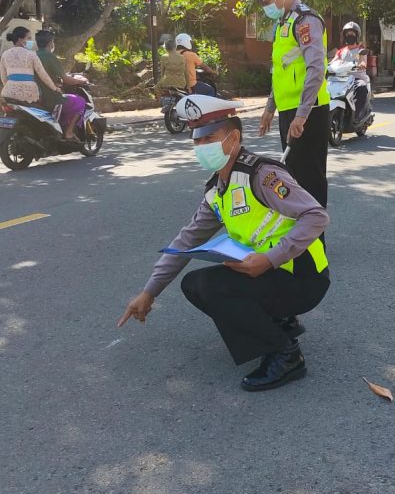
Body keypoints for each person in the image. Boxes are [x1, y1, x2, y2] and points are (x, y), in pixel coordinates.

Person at [118, 94, 331, 392]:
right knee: (194, 284)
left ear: (233, 138)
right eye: (196, 141)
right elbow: (185, 241)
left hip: (303, 276)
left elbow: (316, 216)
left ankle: (286, 355)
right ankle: (280, 322)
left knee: (212, 287)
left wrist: (270, 259)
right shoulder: (217, 190)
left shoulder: (262, 175)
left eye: (209, 139)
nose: (202, 147)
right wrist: (148, 293)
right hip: (271, 274)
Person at [243, 0, 330, 207]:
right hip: (290, 113)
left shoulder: (306, 21)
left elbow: (316, 69)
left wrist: (301, 116)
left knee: (310, 183)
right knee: (294, 182)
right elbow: (280, 72)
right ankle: (299, 243)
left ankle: (314, 245)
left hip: (309, 114)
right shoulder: (284, 23)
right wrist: (270, 108)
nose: (265, 7)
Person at [0, 26, 65, 115]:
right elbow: (43, 76)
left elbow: (3, 78)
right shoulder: (31, 54)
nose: (31, 41)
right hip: (29, 94)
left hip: (8, 93)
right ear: (20, 39)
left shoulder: (5, 54)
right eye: (29, 38)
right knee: (45, 114)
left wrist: (12, 86)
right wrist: (55, 88)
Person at [34, 30, 86, 141]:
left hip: (37, 97)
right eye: (53, 42)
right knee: (80, 101)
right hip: (52, 97)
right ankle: (69, 132)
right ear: (50, 43)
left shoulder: (33, 55)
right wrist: (80, 81)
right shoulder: (49, 57)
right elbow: (66, 79)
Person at [331, 21, 372, 122]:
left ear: (357, 36)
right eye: (347, 34)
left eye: (352, 34)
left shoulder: (360, 50)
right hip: (342, 78)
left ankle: (357, 115)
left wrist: (362, 64)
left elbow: (363, 60)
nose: (350, 36)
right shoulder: (340, 51)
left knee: (361, 87)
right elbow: (333, 62)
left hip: (357, 79)